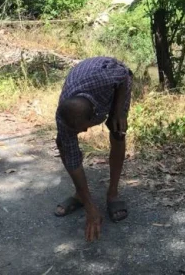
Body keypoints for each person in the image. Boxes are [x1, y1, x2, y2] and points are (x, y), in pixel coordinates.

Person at [54, 56, 132, 241]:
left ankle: (112, 193)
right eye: (77, 130)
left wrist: (119, 112)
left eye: (82, 127)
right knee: (64, 144)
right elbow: (72, 159)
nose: (83, 131)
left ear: (93, 115)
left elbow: (125, 74)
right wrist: (91, 208)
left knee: (117, 131)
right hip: (86, 86)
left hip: (116, 83)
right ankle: (81, 196)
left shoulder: (103, 79)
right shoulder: (64, 116)